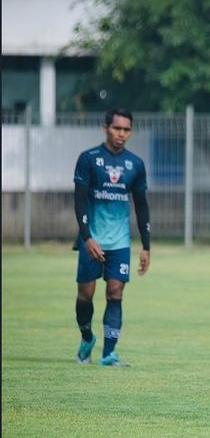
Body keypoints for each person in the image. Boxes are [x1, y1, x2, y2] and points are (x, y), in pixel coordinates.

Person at [73, 108, 151, 367]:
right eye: (117, 128)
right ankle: (87, 338)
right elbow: (80, 202)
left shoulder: (135, 164)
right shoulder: (89, 159)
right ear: (105, 127)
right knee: (85, 295)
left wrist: (146, 246)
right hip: (91, 239)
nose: (121, 134)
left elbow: (141, 206)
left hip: (120, 242)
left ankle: (109, 354)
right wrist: (87, 237)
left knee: (115, 293)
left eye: (126, 129)